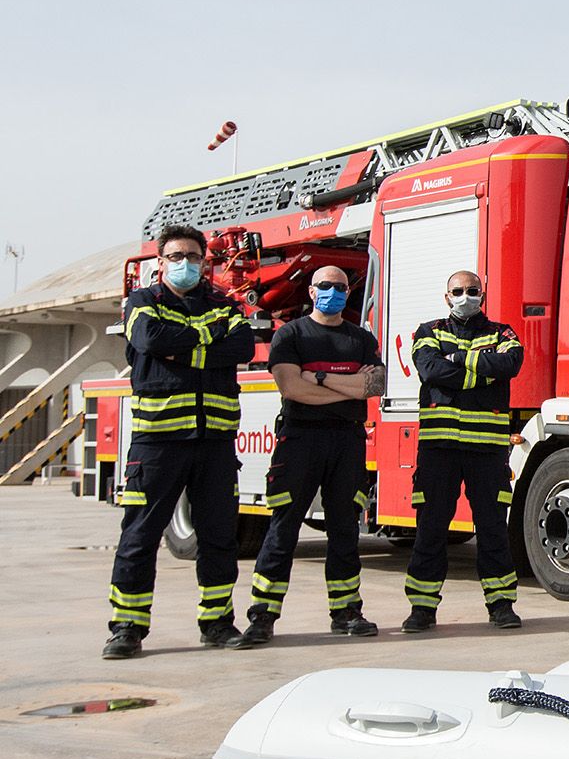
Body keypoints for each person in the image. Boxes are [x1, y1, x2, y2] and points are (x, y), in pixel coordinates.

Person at [103, 224, 256, 658]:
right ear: (160, 261)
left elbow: (242, 347)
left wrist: (183, 346)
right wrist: (210, 339)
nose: (185, 264)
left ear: (205, 261)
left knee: (219, 537)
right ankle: (127, 628)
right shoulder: (141, 303)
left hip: (215, 442)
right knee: (140, 536)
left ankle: (218, 623)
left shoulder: (224, 304)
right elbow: (150, 339)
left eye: (193, 256)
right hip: (158, 443)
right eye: (175, 257)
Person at [236, 266, 384, 646]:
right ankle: (263, 617)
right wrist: (347, 386)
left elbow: (375, 385)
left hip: (346, 443)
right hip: (299, 439)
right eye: (324, 286)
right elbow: (291, 387)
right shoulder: (292, 334)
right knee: (283, 529)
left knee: (345, 530)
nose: (332, 292)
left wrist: (316, 378)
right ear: (311, 289)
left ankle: (346, 611)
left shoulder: (360, 338)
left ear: (349, 291)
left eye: (339, 286)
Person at [402, 271, 526, 632]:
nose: (465, 296)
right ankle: (422, 609)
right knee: (431, 529)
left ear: (482, 296)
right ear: (446, 297)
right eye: (458, 291)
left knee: (493, 531)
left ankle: (501, 605)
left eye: (473, 291)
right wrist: (479, 370)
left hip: (486, 452)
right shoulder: (428, 331)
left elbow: (509, 365)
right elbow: (429, 370)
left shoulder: (502, 333)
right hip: (439, 451)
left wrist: (455, 358)